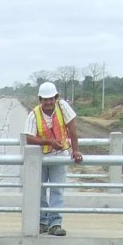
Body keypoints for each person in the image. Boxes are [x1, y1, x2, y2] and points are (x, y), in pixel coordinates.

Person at [23, 81, 83, 236]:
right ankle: (42, 222)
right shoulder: (34, 114)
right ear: (40, 100)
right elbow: (29, 138)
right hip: (41, 158)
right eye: (45, 99)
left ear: (56, 98)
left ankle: (55, 223)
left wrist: (75, 150)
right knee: (40, 190)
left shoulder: (63, 108)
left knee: (57, 189)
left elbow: (72, 129)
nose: (48, 102)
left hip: (59, 156)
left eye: (51, 99)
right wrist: (48, 141)